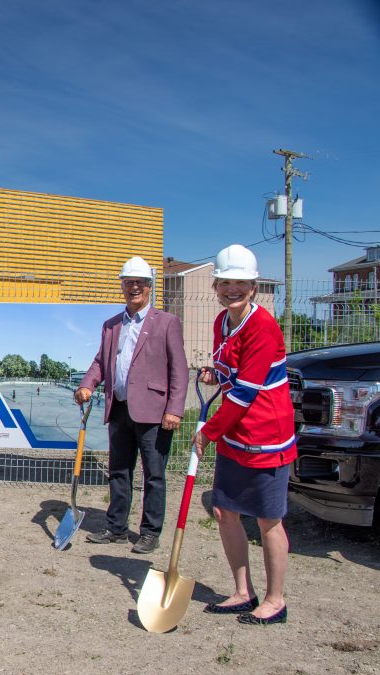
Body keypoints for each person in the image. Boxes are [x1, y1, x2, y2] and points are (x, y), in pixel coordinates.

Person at [194, 245, 296, 626]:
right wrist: (212, 373)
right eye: (226, 283)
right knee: (224, 512)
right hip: (236, 437)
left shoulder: (264, 327)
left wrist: (207, 433)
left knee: (269, 520)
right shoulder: (221, 322)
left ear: (253, 287)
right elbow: (228, 373)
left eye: (241, 283)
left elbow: (244, 393)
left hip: (266, 436)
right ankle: (242, 591)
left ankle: (275, 600)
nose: (233, 289)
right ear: (216, 285)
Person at [75, 256, 188, 554]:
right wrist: (87, 384)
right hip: (120, 408)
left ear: (149, 287)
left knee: (154, 474)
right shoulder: (111, 325)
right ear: (122, 287)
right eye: (129, 283)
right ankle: (116, 528)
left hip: (155, 412)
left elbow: (179, 369)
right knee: (119, 471)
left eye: (139, 282)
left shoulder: (166, 323)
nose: (134, 287)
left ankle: (150, 532)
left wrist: (175, 408)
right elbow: (101, 361)